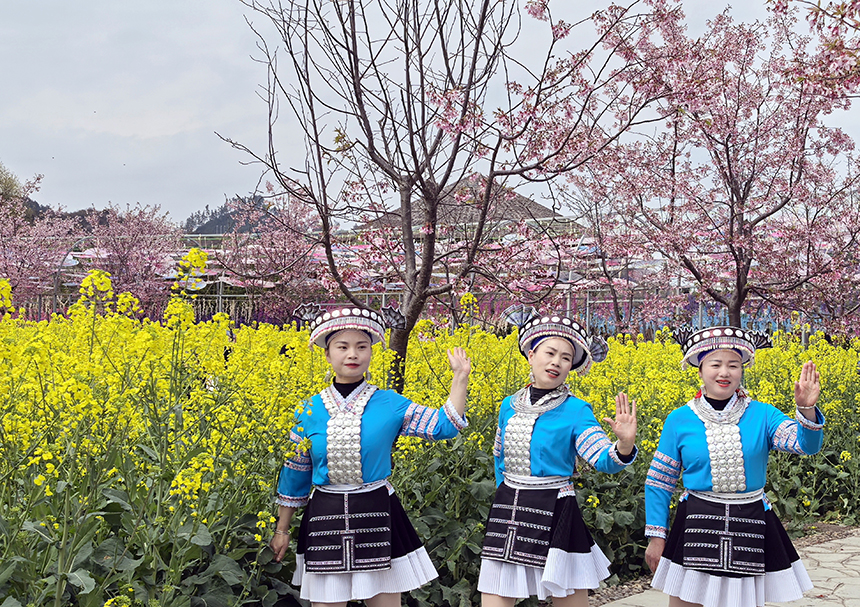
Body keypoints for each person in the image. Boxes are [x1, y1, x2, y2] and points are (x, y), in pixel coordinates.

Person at [271, 305, 471, 607]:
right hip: (325, 514)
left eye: (361, 347)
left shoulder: (390, 403)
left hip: (377, 511)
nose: (352, 354)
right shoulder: (307, 410)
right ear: (328, 354)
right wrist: (281, 529)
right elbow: (295, 473)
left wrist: (460, 378)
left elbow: (443, 426)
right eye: (343, 346)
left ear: (371, 353)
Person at [645, 326, 824, 607]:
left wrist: (806, 411)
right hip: (696, 522)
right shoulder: (679, 420)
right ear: (700, 369)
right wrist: (657, 536)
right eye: (715, 364)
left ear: (742, 370)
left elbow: (805, 445)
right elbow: (659, 481)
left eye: (733, 365)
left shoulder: (763, 414)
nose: (724, 372)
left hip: (750, 520)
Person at [479, 314, 638, 607]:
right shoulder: (508, 405)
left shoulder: (576, 410)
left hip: (555, 507)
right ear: (531, 354)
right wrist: (504, 492)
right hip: (509, 506)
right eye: (550, 353)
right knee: (496, 594)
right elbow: (498, 456)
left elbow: (602, 458)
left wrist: (624, 445)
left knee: (567, 597)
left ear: (572, 366)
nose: (556, 362)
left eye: (566, 358)